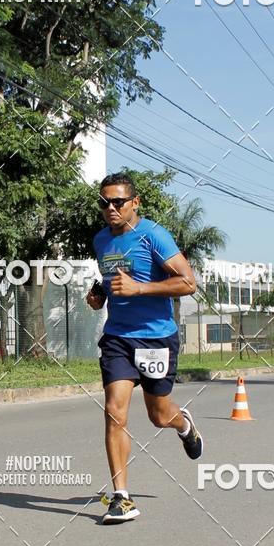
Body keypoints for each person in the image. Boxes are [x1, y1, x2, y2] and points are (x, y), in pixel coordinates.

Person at [87, 172, 204, 524]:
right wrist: (99, 295)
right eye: (104, 202)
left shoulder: (153, 235)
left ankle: (184, 425)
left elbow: (188, 283)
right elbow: (111, 282)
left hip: (156, 338)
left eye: (118, 202)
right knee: (114, 411)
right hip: (118, 338)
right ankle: (121, 497)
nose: (110, 208)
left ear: (134, 203)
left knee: (158, 416)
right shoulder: (101, 241)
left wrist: (139, 289)